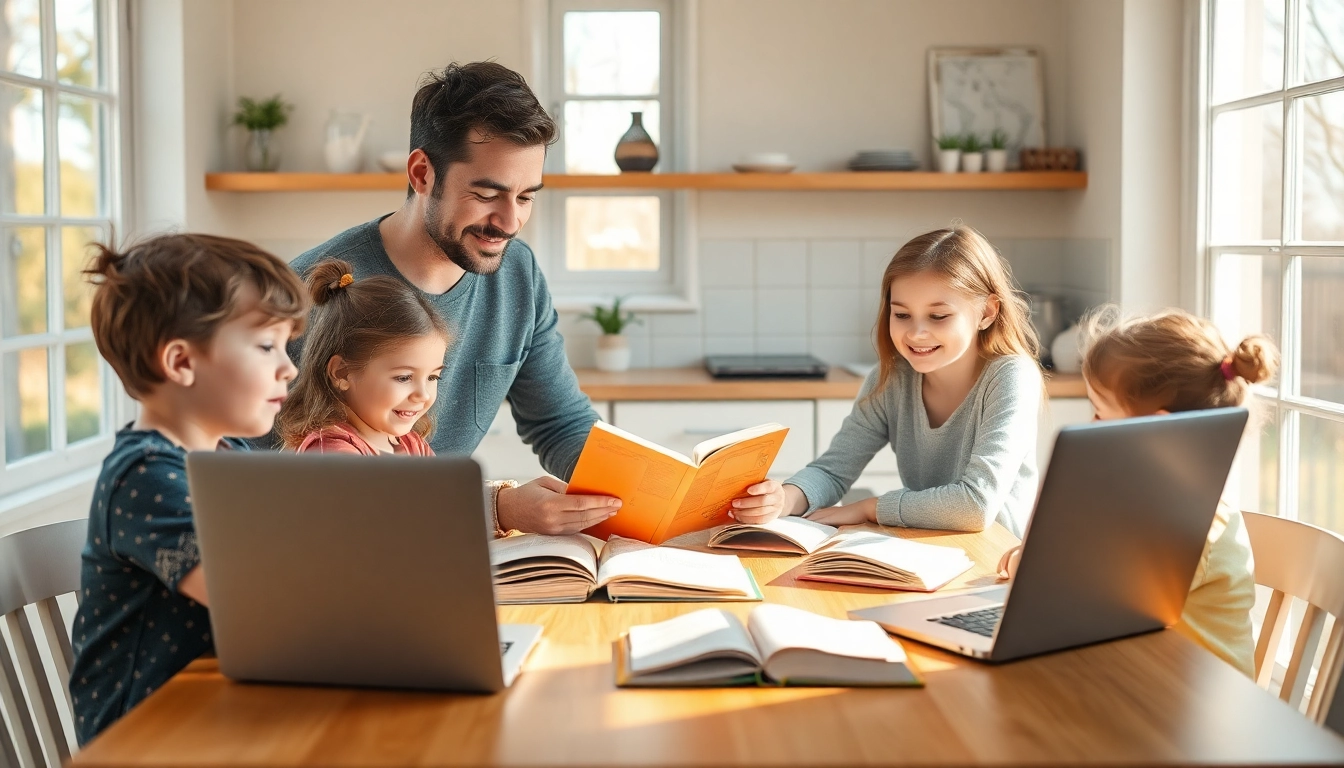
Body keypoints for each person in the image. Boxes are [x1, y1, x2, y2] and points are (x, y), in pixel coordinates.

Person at [286, 61, 705, 535]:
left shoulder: (517, 274)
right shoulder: (310, 291)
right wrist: (495, 507)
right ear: (423, 174)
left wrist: (660, 494)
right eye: (488, 194)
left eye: (526, 197)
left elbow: (561, 423)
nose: (509, 222)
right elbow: (254, 476)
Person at [69, 234, 307, 743]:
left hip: (226, 712)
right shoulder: (145, 475)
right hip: (147, 740)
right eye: (267, 345)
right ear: (180, 362)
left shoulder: (232, 457)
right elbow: (259, 599)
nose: (289, 367)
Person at [1000, 306, 1274, 676]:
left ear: (1157, 430)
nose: (1090, 424)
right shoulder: (1139, 501)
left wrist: (1036, 561)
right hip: (1138, 683)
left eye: (1099, 412)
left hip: (1196, 715)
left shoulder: (1192, 524)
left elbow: (1087, 602)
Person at [736, 225, 1044, 537]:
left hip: (996, 568)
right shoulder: (891, 380)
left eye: (938, 317)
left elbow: (976, 504)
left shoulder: (1011, 377)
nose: (916, 333)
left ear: (987, 312)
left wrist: (870, 508)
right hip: (928, 551)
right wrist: (783, 500)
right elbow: (832, 471)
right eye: (902, 315)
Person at [278, 259, 450, 457]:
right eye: (404, 377)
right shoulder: (332, 453)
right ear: (342, 373)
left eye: (432, 378)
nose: (423, 395)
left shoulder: (413, 446)